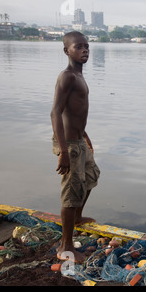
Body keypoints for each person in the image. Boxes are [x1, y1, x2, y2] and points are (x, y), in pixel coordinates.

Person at [50, 31, 100, 263]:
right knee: (71, 193)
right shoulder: (67, 76)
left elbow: (76, 113)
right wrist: (63, 151)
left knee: (91, 176)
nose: (84, 50)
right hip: (68, 144)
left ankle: (77, 218)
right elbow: (56, 113)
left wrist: (86, 137)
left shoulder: (80, 77)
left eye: (86, 46)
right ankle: (66, 247)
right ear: (66, 51)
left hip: (80, 141)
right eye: (78, 47)